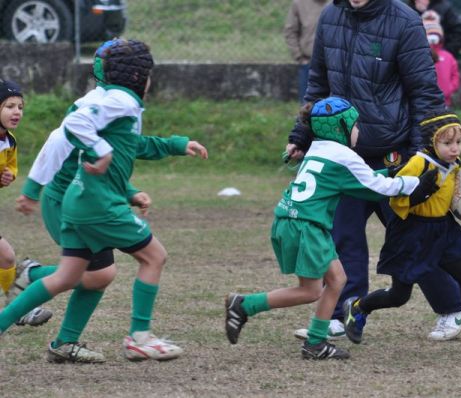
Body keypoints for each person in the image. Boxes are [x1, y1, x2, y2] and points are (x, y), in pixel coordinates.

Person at [0, 39, 208, 363]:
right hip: (95, 202)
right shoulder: (119, 100)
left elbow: (128, 144)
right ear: (141, 76)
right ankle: (139, 338)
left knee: (73, 276)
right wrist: (36, 187)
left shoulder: (117, 101)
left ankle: (35, 320)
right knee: (154, 257)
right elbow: (70, 131)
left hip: (81, 198)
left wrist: (175, 146)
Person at [287, 0, 461, 343]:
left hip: (394, 155)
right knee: (343, 237)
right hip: (344, 156)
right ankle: (343, 311)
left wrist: (423, 157)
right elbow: (318, 83)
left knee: (412, 239)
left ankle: (451, 305)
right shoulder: (330, 15)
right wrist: (301, 135)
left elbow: (425, 93)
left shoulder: (404, 20)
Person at [226, 97, 438, 360]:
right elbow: (378, 188)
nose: (359, 130)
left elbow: (363, 181)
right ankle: (246, 306)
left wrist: (393, 172)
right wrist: (415, 184)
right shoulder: (345, 155)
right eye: (355, 124)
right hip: (306, 226)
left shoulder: (317, 148)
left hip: (292, 220)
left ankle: (314, 342)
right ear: (340, 127)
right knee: (311, 290)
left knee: (337, 280)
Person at [343, 112, 461, 349]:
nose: (455, 148)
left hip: (443, 230)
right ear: (432, 142)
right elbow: (395, 199)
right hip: (412, 234)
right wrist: (420, 192)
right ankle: (357, 309)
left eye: (458, 142)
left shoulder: (453, 165)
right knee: (399, 296)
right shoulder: (419, 163)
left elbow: (453, 199)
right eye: (447, 143)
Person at [0, 79, 53, 327]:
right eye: (9, 106)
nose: (16, 112)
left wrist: (7, 176)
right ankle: (17, 308)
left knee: (6, 257)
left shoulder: (9, 142)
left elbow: (8, 169)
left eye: (20, 107)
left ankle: (16, 308)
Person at [284, 0, 330, 102]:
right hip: (309, 64)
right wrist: (299, 56)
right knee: (308, 106)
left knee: (336, 109)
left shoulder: (339, 3)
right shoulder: (299, 4)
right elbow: (290, 31)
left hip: (335, 65)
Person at [423, 10, 460, 108]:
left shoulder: (448, 56)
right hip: (425, 102)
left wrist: (449, 88)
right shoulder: (421, 55)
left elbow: (455, 75)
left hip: (445, 101)